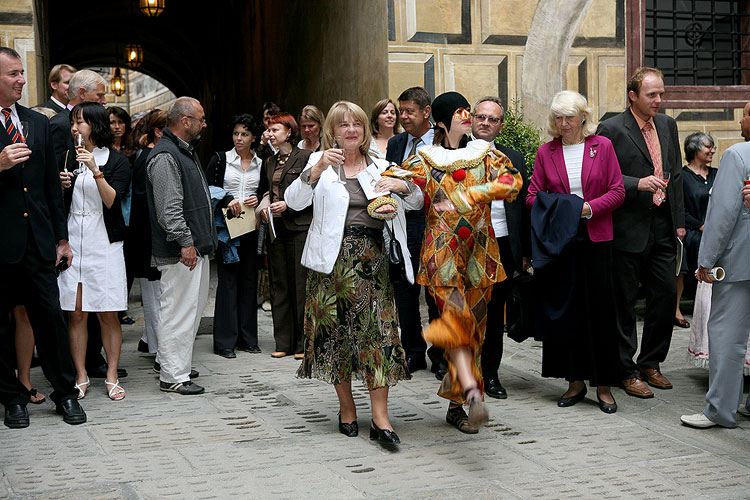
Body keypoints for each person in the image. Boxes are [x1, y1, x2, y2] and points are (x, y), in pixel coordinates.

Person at [286, 100, 418, 446]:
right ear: (333, 131)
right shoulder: (318, 163)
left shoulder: (382, 165)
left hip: (371, 263)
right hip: (330, 265)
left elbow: (417, 198)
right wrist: (313, 173)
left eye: (356, 124)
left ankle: (381, 419)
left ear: (364, 130)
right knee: (335, 337)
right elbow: (294, 201)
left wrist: (403, 187)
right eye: (343, 125)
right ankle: (346, 407)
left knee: (380, 337)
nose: (350, 130)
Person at [394, 91, 523, 433]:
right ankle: (472, 391)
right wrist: (393, 186)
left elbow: (513, 182)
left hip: (481, 254)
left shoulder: (485, 156)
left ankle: (457, 407)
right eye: (462, 112)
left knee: (474, 331)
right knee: (459, 322)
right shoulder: (425, 158)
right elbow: (399, 182)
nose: (469, 117)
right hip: (441, 256)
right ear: (442, 120)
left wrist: (476, 194)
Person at [0, 46, 85, 427]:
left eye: (22, 73)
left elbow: (52, 188)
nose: (21, 79)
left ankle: (65, 394)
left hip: (39, 242)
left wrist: (62, 239)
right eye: (14, 73)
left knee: (50, 318)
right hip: (1, 245)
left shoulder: (37, 122)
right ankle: (12, 398)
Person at [527, 91, 625, 413]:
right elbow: (532, 197)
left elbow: (618, 191)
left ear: (583, 117)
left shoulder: (603, 146)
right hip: (561, 243)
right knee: (566, 314)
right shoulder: (546, 152)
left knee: (600, 312)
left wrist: (587, 210)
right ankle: (574, 382)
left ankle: (605, 386)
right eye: (558, 118)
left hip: (597, 239)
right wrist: (566, 209)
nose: (563, 124)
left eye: (569, 117)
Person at [596, 67, 685, 399]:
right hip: (627, 227)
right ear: (633, 96)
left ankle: (651, 363)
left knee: (664, 296)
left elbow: (673, 175)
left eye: (661, 94)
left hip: (662, 226)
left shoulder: (667, 124)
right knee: (624, 303)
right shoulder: (612, 128)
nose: (659, 100)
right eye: (652, 95)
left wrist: (679, 222)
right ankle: (626, 371)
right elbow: (604, 177)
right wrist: (636, 184)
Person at [57, 102, 130, 401]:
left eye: (80, 122)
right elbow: (60, 205)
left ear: (95, 126)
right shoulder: (66, 157)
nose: (75, 128)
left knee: (107, 313)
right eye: (73, 122)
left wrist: (95, 170)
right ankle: (81, 374)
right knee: (76, 314)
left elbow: (113, 202)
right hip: (74, 244)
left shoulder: (117, 161)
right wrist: (61, 186)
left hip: (105, 245)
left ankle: (111, 373)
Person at [146, 97, 215, 395]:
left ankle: (172, 362)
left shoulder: (182, 150)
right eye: (200, 118)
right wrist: (186, 242)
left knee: (187, 309)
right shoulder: (166, 156)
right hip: (181, 251)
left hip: (193, 248)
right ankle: (173, 375)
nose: (204, 123)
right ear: (185, 121)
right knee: (178, 311)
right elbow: (169, 209)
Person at [680, 139, 750, 429]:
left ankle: (720, 409)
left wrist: (705, 261)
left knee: (725, 336)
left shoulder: (737, 155)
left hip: (739, 262)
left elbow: (722, 214)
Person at [470, 96, 530, 400]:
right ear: (471, 120)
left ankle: (490, 375)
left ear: (500, 126)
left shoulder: (513, 159)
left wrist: (525, 252)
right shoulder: (457, 156)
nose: (485, 122)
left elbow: (522, 207)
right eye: (480, 116)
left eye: (492, 119)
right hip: (467, 245)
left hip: (503, 243)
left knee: (495, 315)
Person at [385, 87, 443, 377]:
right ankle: (413, 352)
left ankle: (440, 354)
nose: (403, 116)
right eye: (401, 110)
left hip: (435, 224)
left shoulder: (442, 142)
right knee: (405, 291)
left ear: (426, 112)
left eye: (410, 111)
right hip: (403, 224)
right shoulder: (396, 144)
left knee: (435, 292)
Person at [205, 113, 265, 358]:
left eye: (245, 134)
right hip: (226, 228)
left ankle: (248, 338)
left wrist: (258, 198)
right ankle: (224, 342)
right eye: (236, 133)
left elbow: (266, 190)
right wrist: (228, 198)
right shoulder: (220, 159)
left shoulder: (261, 163)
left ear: (254, 138)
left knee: (249, 281)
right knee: (228, 282)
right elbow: (206, 186)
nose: (239, 138)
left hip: (250, 226)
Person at [257, 112, 311, 359]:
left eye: (275, 129)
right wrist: (266, 205)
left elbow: (312, 193)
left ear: (289, 132)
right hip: (275, 229)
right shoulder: (269, 161)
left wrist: (289, 205)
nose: (270, 134)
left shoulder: (306, 158)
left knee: (300, 285)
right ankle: (283, 342)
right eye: (269, 130)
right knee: (279, 285)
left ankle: (302, 344)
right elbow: (266, 191)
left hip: (298, 227)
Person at [129, 109, 167, 357]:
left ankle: (155, 345)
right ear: (158, 131)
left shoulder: (149, 154)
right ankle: (159, 351)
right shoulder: (150, 157)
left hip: (150, 239)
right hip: (150, 240)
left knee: (157, 297)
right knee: (155, 298)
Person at [677, 132, 716, 330]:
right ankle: (680, 309)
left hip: (717, 232)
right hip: (693, 231)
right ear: (694, 150)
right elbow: (680, 209)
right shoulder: (683, 176)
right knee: (694, 244)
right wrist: (701, 226)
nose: (713, 150)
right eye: (708, 147)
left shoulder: (717, 173)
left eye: (713, 146)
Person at [109, 105, 138, 327]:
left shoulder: (133, 149)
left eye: (120, 122)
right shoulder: (101, 149)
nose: (117, 127)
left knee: (127, 263)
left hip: (129, 210)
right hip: (109, 208)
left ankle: (122, 308)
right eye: (112, 122)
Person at [51, 69, 107, 170]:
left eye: (79, 122)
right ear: (82, 93)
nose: (104, 101)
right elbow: (55, 164)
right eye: (99, 95)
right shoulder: (59, 124)